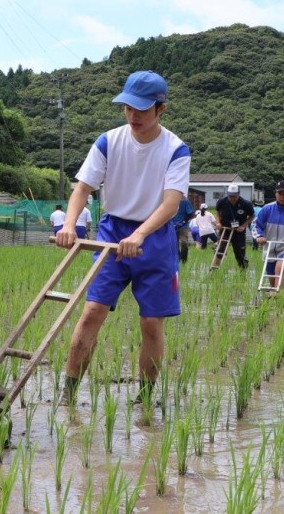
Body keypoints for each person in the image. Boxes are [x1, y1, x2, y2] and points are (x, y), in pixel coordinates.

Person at [54, 70, 190, 408]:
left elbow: (171, 203)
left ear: (161, 109)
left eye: (142, 110)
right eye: (128, 108)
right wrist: (69, 224)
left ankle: (144, 399)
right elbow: (82, 188)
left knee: (151, 323)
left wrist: (140, 233)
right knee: (91, 313)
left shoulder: (175, 149)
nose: (133, 117)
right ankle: (68, 395)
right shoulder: (109, 141)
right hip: (112, 233)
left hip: (154, 237)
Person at [214, 184, 255, 269]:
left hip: (238, 231)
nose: (232, 198)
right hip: (225, 230)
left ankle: (243, 269)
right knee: (220, 250)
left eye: (234, 196)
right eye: (230, 196)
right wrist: (218, 223)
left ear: (238, 194)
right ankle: (214, 269)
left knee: (239, 253)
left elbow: (252, 216)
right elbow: (217, 213)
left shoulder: (245, 204)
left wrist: (243, 226)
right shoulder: (221, 202)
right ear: (228, 194)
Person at [171, 196, 196, 264]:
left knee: (184, 243)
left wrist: (182, 222)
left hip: (183, 226)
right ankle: (177, 259)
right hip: (172, 226)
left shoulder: (185, 201)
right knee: (174, 243)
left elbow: (190, 214)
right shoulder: (170, 200)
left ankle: (184, 261)